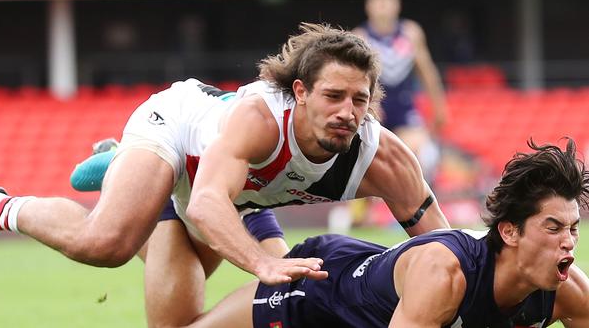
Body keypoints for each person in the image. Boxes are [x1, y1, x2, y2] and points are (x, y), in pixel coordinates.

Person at [0, 23, 450, 327]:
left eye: (359, 100)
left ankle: (125, 169)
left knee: (270, 301)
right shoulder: (259, 121)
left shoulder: (384, 158)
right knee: (109, 242)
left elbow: (451, 252)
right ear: (299, 92)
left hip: (237, 193)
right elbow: (207, 203)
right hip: (181, 139)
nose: (347, 111)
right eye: (333, 96)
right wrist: (258, 264)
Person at [179, 138, 589, 328]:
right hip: (318, 294)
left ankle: (250, 210)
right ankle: (179, 190)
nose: (567, 240)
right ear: (510, 232)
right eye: (552, 227)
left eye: (572, 228)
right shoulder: (444, 273)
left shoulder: (568, 290)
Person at [353, 0, 447, 183]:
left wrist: (439, 109)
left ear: (398, 5)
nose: (383, 5)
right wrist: (367, 108)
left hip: (405, 111)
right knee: (362, 168)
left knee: (423, 157)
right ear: (368, 6)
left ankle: (416, 208)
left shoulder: (410, 33)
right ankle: (359, 211)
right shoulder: (360, 37)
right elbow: (354, 80)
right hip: (375, 112)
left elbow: (427, 72)